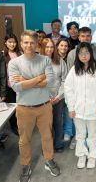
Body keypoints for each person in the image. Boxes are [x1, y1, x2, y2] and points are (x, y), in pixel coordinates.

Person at [8, 30, 60, 182]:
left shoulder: (45, 60)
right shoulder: (14, 63)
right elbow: (16, 87)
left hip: (44, 106)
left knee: (47, 136)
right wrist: (38, 78)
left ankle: (49, 160)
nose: (29, 45)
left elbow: (49, 82)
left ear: (37, 44)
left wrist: (26, 81)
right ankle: (26, 165)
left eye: (32, 42)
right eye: (26, 42)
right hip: (24, 108)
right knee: (24, 139)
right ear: (21, 44)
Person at [64, 42, 96, 169]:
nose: (84, 55)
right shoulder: (74, 70)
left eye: (87, 52)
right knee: (80, 135)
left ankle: (92, 156)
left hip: (94, 110)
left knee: (93, 135)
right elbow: (68, 89)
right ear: (77, 54)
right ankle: (82, 155)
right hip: (77, 110)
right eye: (81, 53)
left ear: (91, 54)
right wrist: (71, 108)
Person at [40, 38, 68, 152]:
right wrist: (47, 98)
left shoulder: (60, 61)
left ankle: (58, 144)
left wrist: (58, 96)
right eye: (47, 47)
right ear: (42, 47)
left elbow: (65, 80)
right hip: (42, 99)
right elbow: (36, 81)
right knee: (45, 124)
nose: (50, 49)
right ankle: (47, 147)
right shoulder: (37, 61)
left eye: (52, 47)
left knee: (58, 121)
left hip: (58, 98)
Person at [3, 33, 21, 135]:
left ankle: (21, 125)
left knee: (21, 107)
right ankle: (14, 126)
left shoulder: (20, 54)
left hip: (21, 85)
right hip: (9, 87)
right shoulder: (2, 55)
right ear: (5, 42)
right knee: (12, 108)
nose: (12, 44)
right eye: (10, 42)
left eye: (14, 42)